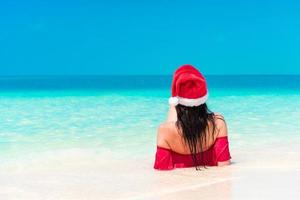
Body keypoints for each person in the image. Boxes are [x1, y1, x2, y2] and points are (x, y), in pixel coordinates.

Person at [153, 64, 231, 170]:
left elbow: (161, 172)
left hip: (180, 184)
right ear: (203, 98)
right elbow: (224, 166)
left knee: (171, 123)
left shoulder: (164, 131)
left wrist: (174, 102)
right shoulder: (218, 123)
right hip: (211, 183)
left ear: (177, 102)